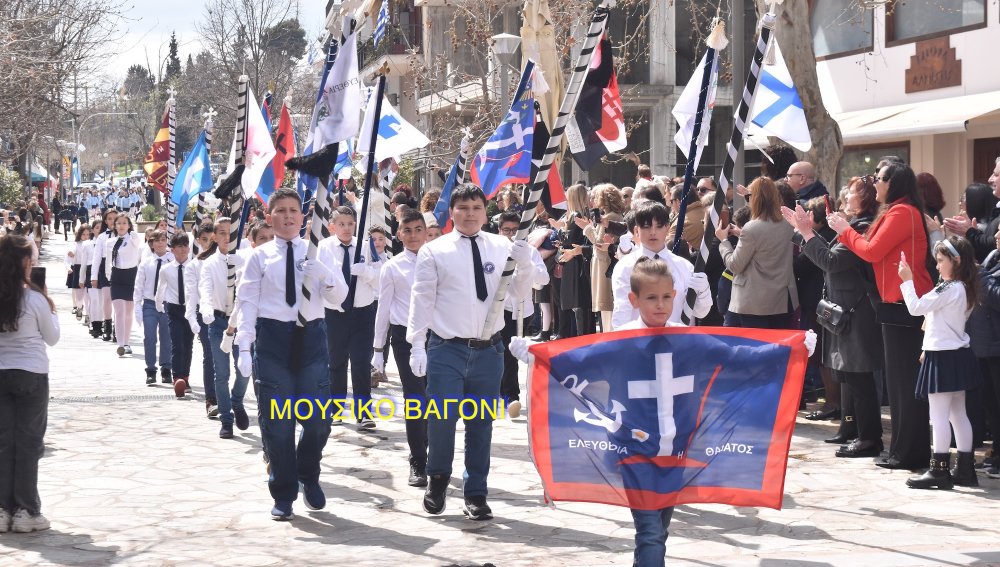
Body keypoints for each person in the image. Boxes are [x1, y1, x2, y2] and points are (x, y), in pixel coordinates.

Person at [407, 184, 535, 520]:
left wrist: (524, 265)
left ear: (485, 210)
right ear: (452, 212)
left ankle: (476, 491)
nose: (469, 214)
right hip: (446, 349)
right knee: (442, 419)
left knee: (481, 424)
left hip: (488, 351)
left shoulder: (501, 246)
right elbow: (422, 300)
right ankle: (437, 479)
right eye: (462, 208)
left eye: (476, 207)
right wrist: (417, 344)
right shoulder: (434, 251)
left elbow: (518, 296)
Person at [235, 188, 345, 520]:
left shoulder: (319, 251)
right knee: (278, 425)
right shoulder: (259, 256)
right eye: (280, 210)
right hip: (273, 341)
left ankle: (308, 474)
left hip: (311, 338)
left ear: (303, 216)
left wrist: (322, 274)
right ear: (269, 217)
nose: (287, 215)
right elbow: (248, 301)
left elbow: (340, 297)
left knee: (318, 422)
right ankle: (283, 492)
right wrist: (243, 344)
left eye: (293, 210)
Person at [828, 163, 934, 470]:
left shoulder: (903, 212)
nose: (875, 181)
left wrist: (843, 230)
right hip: (896, 302)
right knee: (899, 384)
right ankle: (902, 450)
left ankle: (909, 453)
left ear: (893, 184)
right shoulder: (897, 210)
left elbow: (871, 251)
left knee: (904, 384)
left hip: (905, 303)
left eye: (880, 178)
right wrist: (846, 229)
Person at [784, 176, 885, 458]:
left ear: (865, 198)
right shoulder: (854, 226)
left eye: (851, 193)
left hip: (857, 310)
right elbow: (829, 256)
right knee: (850, 376)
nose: (845, 199)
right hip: (847, 309)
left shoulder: (863, 227)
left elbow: (831, 261)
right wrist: (803, 230)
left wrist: (805, 233)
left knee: (860, 377)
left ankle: (869, 439)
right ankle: (856, 432)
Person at [898, 236, 981, 488]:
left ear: (955, 261)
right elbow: (940, 321)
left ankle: (939, 471)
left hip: (943, 356)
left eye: (940, 261)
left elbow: (916, 307)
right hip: (956, 354)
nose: (937, 266)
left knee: (940, 416)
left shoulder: (950, 288)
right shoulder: (964, 287)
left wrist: (907, 280)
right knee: (958, 415)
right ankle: (965, 470)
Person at [0, 235, 60, 533]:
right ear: (25, 263)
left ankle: (2, 508)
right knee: (29, 442)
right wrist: (49, 304)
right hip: (31, 374)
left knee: (4, 441)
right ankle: (26, 509)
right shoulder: (35, 299)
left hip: (1, 372)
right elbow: (52, 337)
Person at [371, 208, 430, 487]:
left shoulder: (437, 261)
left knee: (437, 398)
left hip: (436, 336)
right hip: (404, 337)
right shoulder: (391, 267)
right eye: (407, 230)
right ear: (399, 234)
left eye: (419, 229)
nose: (414, 235)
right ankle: (418, 459)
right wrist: (378, 349)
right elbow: (383, 308)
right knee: (415, 398)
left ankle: (434, 452)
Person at [318, 206, 383, 429]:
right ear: (332, 226)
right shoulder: (323, 248)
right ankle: (336, 409)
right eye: (342, 224)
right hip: (335, 312)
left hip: (362, 312)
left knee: (360, 362)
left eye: (350, 224)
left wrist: (366, 272)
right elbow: (317, 279)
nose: (346, 228)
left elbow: (379, 279)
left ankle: (364, 413)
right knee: (335, 361)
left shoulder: (366, 247)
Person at [611, 202, 711, 329]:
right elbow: (621, 313)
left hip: (678, 342)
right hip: (641, 343)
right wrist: (625, 344)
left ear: (667, 228)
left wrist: (704, 292)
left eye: (659, 227)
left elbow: (700, 312)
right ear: (637, 230)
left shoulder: (684, 266)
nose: (653, 232)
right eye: (646, 227)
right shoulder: (625, 267)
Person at [716, 177, 799, 329]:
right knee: (778, 349)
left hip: (753, 303)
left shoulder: (751, 228)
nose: (748, 201)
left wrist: (723, 242)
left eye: (749, 197)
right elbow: (768, 243)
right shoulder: (788, 224)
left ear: (755, 199)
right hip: (782, 300)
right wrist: (742, 234)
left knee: (755, 350)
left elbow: (734, 265)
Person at [197, 217, 250, 439]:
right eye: (221, 233)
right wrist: (206, 309)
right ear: (214, 237)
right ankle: (226, 419)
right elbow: (205, 288)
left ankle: (237, 400)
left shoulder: (245, 259)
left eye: (231, 233)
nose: (227, 237)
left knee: (243, 370)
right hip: (219, 321)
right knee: (222, 373)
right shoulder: (209, 264)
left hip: (241, 321)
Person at [497, 211, 548, 418]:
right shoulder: (494, 249)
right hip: (498, 308)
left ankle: (511, 396)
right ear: (500, 230)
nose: (511, 234)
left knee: (509, 353)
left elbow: (543, 278)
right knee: (500, 352)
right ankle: (504, 393)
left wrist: (526, 265)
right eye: (506, 230)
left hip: (520, 310)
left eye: (515, 230)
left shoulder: (529, 250)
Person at [969, 224, 1000, 478]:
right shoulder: (993, 258)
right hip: (985, 343)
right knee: (991, 404)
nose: (997, 236)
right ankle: (996, 455)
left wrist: (982, 276)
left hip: (997, 344)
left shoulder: (987, 270)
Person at [184, 222, 218, 418]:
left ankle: (230, 396)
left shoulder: (225, 258)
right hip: (205, 315)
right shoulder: (194, 265)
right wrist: (192, 319)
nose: (208, 243)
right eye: (204, 239)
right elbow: (191, 294)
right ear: (197, 241)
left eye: (211, 238)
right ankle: (211, 399)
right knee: (210, 356)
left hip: (226, 313)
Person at [156, 233, 194, 398]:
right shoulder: (166, 269)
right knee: (177, 344)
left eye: (185, 245)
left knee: (188, 345)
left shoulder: (195, 267)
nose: (183, 249)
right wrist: (159, 304)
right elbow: (160, 287)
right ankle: (177, 377)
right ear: (172, 250)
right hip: (173, 309)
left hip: (191, 309)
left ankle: (185, 377)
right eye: (179, 246)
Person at [134, 230, 174, 385]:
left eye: (163, 240)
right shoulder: (146, 263)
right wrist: (137, 305)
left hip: (167, 304)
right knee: (150, 336)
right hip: (150, 304)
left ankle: (166, 368)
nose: (160, 243)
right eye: (156, 240)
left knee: (166, 337)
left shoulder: (172, 261)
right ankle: (150, 369)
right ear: (151, 243)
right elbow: (139, 285)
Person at [105, 215, 143, 356]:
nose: (121, 226)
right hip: (116, 277)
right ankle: (120, 344)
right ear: (114, 226)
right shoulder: (110, 242)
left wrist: (133, 234)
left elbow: (137, 241)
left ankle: (127, 343)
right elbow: (108, 262)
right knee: (119, 311)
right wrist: (109, 277)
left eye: (124, 223)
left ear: (128, 225)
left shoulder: (132, 239)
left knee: (128, 312)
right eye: (118, 223)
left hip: (131, 276)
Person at [90, 209, 118, 342]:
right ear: (105, 221)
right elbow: (96, 258)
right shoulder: (102, 237)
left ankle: (118, 329)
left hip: (120, 269)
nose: (112, 221)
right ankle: (107, 327)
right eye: (109, 218)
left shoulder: (126, 235)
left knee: (119, 301)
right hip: (104, 268)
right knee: (106, 299)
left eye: (114, 218)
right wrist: (93, 277)